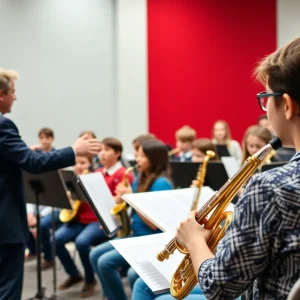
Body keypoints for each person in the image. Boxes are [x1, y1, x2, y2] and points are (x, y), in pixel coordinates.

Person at [175, 37, 300, 299]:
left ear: (286, 106)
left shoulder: (270, 189)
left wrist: (195, 241)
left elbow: (219, 288)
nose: (266, 108)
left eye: (266, 98)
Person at [0, 68, 101, 300]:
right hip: (5, 223)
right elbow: (33, 163)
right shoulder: (3, 125)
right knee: (7, 290)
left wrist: (21, 154)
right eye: (12, 92)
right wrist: (74, 151)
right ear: (1, 94)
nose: (15, 97)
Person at [89, 139, 173, 300]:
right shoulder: (142, 177)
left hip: (150, 239)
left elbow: (154, 224)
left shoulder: (161, 183)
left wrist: (131, 198)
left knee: (105, 263)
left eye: (142, 156)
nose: (137, 160)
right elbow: (127, 206)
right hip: (134, 233)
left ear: (154, 159)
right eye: (137, 155)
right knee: (95, 255)